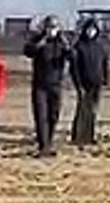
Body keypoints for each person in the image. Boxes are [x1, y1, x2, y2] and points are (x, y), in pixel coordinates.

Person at [23, 15, 70, 158]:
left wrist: (66, 45)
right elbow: (28, 51)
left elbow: (72, 56)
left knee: (53, 116)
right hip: (40, 85)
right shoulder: (38, 39)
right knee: (41, 116)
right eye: (49, 26)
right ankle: (43, 146)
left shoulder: (61, 42)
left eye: (54, 27)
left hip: (56, 85)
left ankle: (48, 143)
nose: (52, 30)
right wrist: (40, 44)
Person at [69, 19, 106, 148]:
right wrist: (78, 84)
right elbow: (74, 68)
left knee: (93, 111)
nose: (91, 32)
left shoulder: (99, 47)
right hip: (83, 83)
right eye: (89, 29)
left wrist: (105, 78)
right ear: (85, 30)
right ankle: (77, 136)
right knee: (82, 110)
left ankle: (90, 136)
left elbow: (104, 63)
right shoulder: (79, 46)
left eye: (93, 29)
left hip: (97, 83)